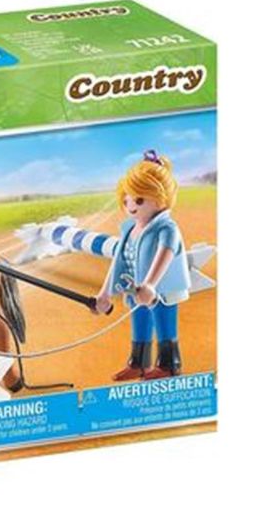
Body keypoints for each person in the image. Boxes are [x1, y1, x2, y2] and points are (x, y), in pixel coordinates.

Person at [94, 150, 191, 380]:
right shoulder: (129, 228)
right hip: (136, 288)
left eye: (139, 200)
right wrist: (104, 293)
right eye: (126, 199)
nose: (131, 206)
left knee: (164, 322)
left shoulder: (167, 228)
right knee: (140, 322)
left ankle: (169, 364)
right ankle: (139, 363)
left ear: (160, 198)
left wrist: (150, 284)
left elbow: (166, 253)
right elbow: (118, 260)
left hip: (162, 290)